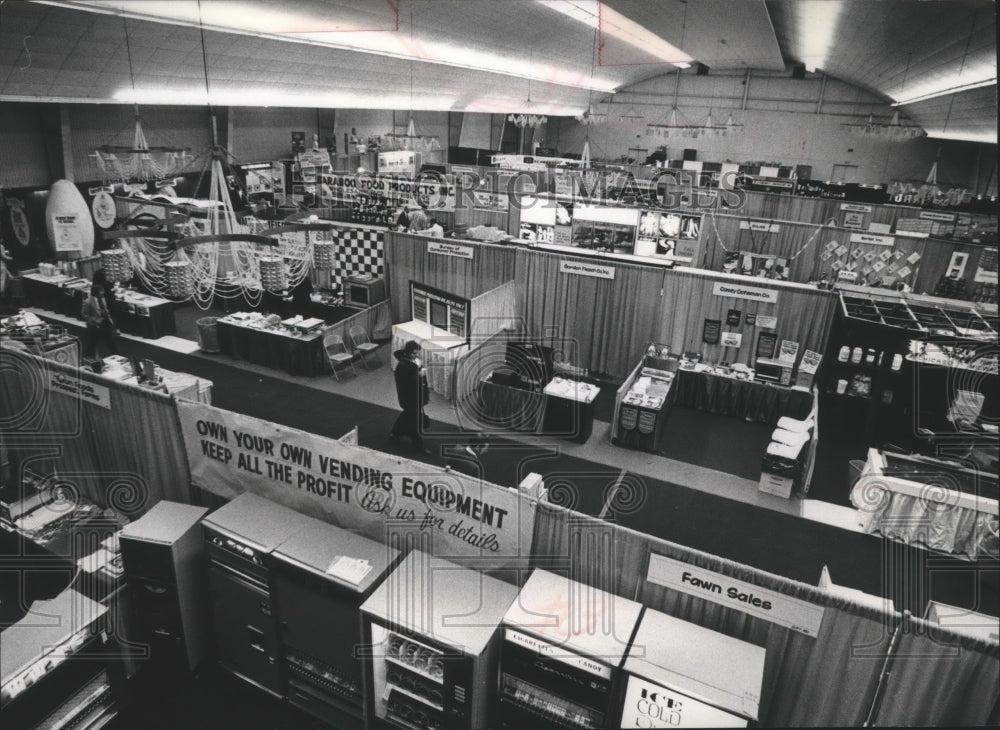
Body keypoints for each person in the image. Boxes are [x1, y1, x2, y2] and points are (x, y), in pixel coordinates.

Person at [390, 340, 430, 454]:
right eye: (414, 353)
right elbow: (406, 384)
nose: (416, 355)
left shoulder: (410, 362)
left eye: (417, 353)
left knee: (407, 415)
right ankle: (418, 445)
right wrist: (419, 375)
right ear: (407, 353)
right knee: (414, 422)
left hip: (413, 398)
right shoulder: (403, 366)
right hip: (410, 399)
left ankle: (394, 434)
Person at [82, 282, 118, 361]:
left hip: (105, 323)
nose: (103, 292)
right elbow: (85, 315)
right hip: (95, 326)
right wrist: (95, 321)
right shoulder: (88, 302)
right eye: (101, 291)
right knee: (92, 343)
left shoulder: (102, 298)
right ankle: (89, 358)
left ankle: (116, 355)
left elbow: (106, 309)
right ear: (95, 292)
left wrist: (110, 321)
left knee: (110, 341)